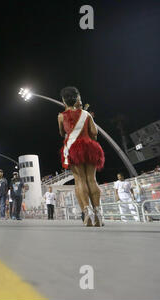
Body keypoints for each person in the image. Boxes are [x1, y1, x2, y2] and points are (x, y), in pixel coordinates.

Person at [58, 87, 105, 227]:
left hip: (73, 148)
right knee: (92, 179)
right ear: (77, 98)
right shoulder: (86, 114)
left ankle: (87, 211)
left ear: (64, 101)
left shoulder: (61, 116)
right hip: (89, 147)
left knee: (79, 181)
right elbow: (94, 132)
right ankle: (98, 213)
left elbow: (62, 133)